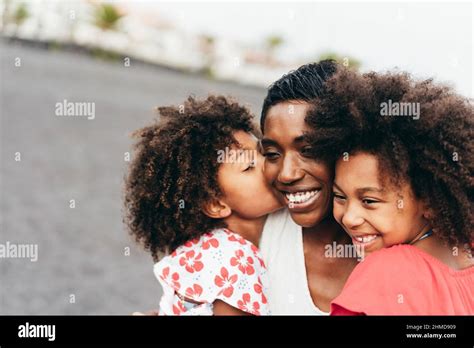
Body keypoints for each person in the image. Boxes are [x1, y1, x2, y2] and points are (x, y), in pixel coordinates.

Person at [305, 67, 474, 315]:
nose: (349, 217)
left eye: (370, 201)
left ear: (428, 200)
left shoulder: (385, 271)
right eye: (340, 196)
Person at [124, 95, 281, 315]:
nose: (269, 164)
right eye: (249, 166)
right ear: (216, 204)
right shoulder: (237, 259)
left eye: (265, 153)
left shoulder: (209, 246)